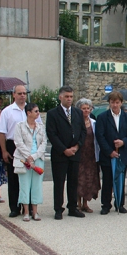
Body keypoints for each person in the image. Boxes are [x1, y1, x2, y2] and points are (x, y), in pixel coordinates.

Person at [0, 85, 40, 218]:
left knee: (29, 178)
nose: (22, 95)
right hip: (13, 145)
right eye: (20, 93)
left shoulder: (32, 110)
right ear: (14, 94)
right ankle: (15, 208)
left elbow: (39, 128)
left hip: (30, 145)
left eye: (24, 93)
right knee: (14, 177)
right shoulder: (7, 111)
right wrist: (4, 150)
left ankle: (27, 208)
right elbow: (1, 132)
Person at [46, 86, 86, 220]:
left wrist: (77, 146)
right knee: (59, 182)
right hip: (60, 154)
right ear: (60, 97)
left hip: (75, 153)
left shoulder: (77, 112)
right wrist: (64, 149)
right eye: (66, 96)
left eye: (71, 96)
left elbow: (82, 132)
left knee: (73, 181)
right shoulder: (52, 114)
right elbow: (51, 134)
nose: (69, 99)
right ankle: (58, 209)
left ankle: (73, 207)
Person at [96, 91, 127, 214]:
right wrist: (109, 151)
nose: (115, 105)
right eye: (112, 102)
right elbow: (100, 136)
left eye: (117, 102)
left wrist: (123, 142)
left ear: (121, 103)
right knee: (108, 180)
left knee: (121, 179)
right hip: (108, 155)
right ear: (109, 103)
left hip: (122, 153)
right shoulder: (102, 117)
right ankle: (106, 205)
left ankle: (120, 204)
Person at [13, 103, 46, 221]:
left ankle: (35, 212)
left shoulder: (40, 127)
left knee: (36, 186)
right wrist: (28, 157)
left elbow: (43, 143)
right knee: (25, 185)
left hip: (37, 159)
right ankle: (26, 212)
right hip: (24, 160)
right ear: (29, 113)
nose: (38, 113)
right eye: (36, 111)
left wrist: (35, 156)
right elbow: (18, 142)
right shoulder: (20, 126)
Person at [75, 98, 100, 213]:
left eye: (88, 108)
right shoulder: (75, 122)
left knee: (89, 180)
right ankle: (78, 203)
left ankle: (86, 203)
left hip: (91, 155)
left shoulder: (94, 122)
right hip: (79, 154)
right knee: (79, 179)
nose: (86, 110)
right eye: (83, 108)